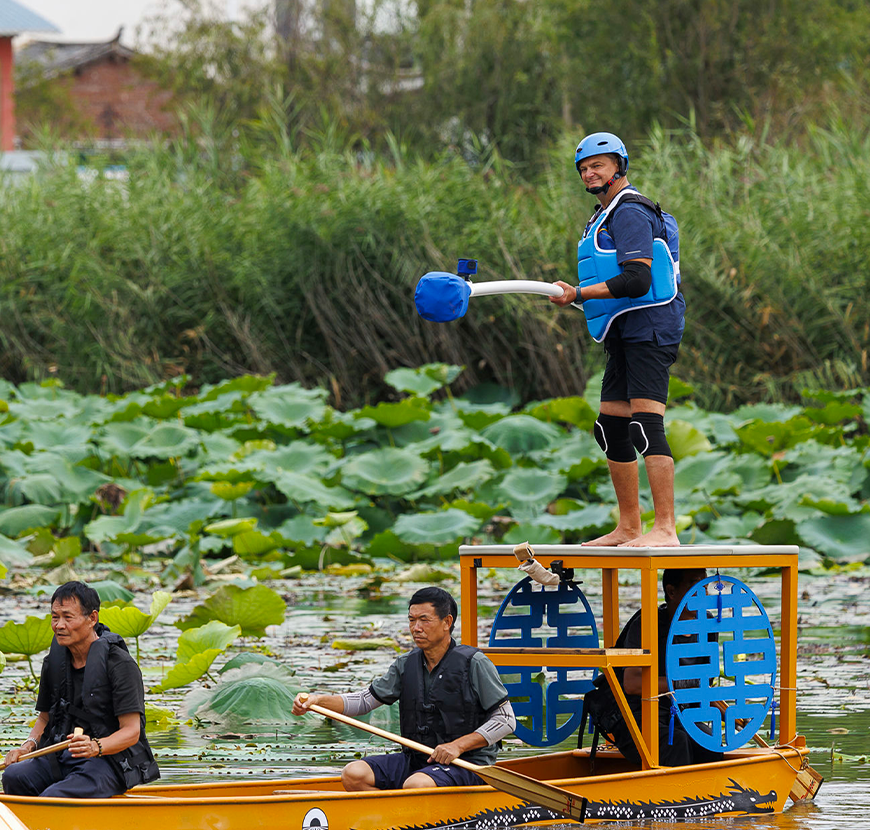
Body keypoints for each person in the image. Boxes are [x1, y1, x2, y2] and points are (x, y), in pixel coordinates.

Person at [550, 132, 685, 550]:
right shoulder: (603, 214)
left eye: (598, 165)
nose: (590, 173)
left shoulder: (628, 212)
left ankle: (665, 528)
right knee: (610, 428)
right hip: (625, 329)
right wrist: (580, 296)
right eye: (584, 169)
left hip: (651, 327)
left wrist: (577, 293)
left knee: (645, 424)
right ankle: (629, 527)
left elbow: (638, 278)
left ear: (618, 167)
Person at [292, 586, 518, 790]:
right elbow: (364, 701)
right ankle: (392, 827)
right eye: (411, 620)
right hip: (418, 761)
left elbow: (506, 720)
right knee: (353, 774)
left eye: (424, 620)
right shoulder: (405, 664)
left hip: (466, 764)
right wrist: (317, 701)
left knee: (416, 784)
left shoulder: (474, 663)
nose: (416, 628)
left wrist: (457, 746)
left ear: (447, 622)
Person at [0, 581, 160, 798]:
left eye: (67, 617)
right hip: (61, 757)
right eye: (55, 617)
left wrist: (95, 747)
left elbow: (131, 732)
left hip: (107, 762)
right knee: (14, 776)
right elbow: (45, 719)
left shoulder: (120, 665)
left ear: (92, 618)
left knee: (55, 796)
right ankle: (29, 828)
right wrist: (27, 747)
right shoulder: (53, 663)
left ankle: (51, 828)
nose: (59, 625)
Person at [584, 566, 731, 766]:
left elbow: (702, 684)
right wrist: (682, 684)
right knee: (676, 743)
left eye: (704, 584)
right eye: (693, 583)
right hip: (634, 712)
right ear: (671, 592)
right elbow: (632, 684)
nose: (703, 590)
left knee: (709, 742)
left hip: (678, 711)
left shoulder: (708, 624)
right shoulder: (647, 623)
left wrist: (730, 715)